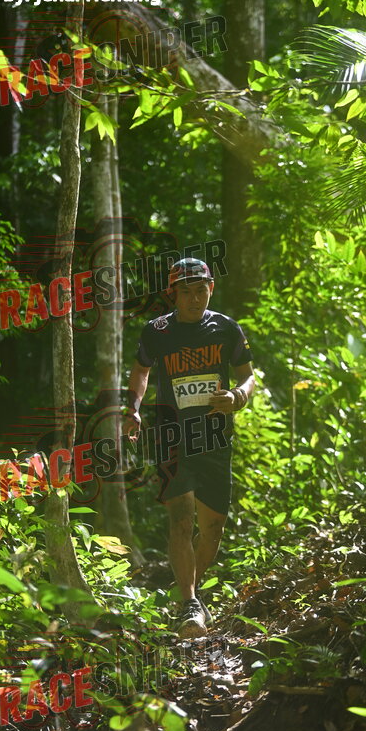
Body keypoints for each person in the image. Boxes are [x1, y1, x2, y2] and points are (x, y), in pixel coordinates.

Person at [124, 257, 255, 638]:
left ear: (211, 289)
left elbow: (248, 376)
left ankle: (188, 590)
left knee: (212, 529)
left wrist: (237, 397)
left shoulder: (226, 329)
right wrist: (133, 408)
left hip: (214, 438)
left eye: (201, 290)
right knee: (181, 519)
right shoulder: (157, 332)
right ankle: (189, 603)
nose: (195, 298)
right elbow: (141, 370)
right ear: (173, 294)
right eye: (186, 292)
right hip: (172, 437)